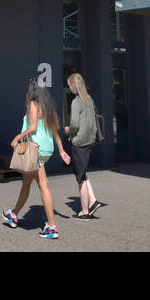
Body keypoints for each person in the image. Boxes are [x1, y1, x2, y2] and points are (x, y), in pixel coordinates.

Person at [3, 80, 69, 239]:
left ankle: (52, 227)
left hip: (36, 151)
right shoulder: (48, 108)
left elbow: (32, 128)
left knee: (43, 186)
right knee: (26, 184)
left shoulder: (33, 104)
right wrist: (61, 151)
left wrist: (17, 138)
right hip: (46, 150)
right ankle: (14, 214)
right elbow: (54, 132)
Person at [62, 72, 101, 217]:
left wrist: (67, 130)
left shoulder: (76, 102)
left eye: (69, 85)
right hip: (90, 141)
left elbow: (74, 125)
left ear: (73, 86)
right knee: (83, 172)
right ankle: (93, 201)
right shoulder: (89, 100)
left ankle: (85, 211)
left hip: (79, 142)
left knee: (80, 178)